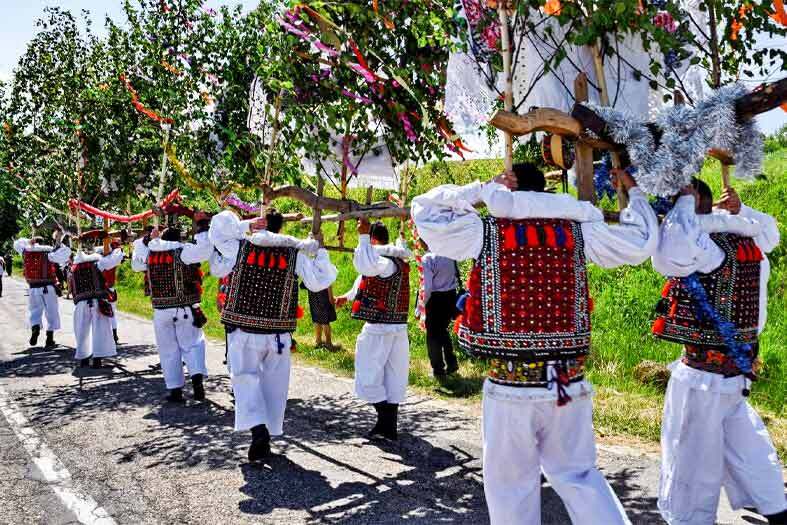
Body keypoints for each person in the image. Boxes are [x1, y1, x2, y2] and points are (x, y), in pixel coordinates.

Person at [411, 162, 659, 525]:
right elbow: (641, 243)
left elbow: (425, 212)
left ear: (508, 190)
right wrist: (635, 193)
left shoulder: (485, 230)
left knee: (511, 488)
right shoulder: (578, 230)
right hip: (567, 384)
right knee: (580, 476)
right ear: (544, 191)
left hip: (510, 387)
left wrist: (480, 189)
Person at [651, 180, 786, 525]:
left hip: (703, 378)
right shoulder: (749, 238)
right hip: (735, 371)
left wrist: (683, 205)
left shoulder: (708, 248)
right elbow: (770, 231)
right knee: (747, 444)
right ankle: (774, 504)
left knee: (692, 455)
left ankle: (690, 519)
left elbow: (667, 256)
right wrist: (741, 211)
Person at [209, 209, 337, 462]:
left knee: (244, 380)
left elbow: (217, 231)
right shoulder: (295, 253)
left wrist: (244, 225)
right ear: (280, 227)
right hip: (278, 335)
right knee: (274, 387)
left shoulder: (240, 246)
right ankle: (264, 431)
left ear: (260, 224)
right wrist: (319, 250)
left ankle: (258, 430)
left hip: (243, 332)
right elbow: (320, 281)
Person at [335, 219, 411, 441]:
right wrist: (347, 297)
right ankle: (387, 426)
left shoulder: (385, 262)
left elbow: (366, 267)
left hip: (380, 328)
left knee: (367, 376)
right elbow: (364, 278)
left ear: (374, 240)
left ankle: (386, 420)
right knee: (392, 377)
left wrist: (362, 237)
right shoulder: (393, 260)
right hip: (396, 328)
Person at [131, 214, 212, 403]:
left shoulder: (149, 254)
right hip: (184, 309)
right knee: (192, 345)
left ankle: (175, 389)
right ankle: (197, 381)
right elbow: (205, 250)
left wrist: (148, 239)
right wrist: (202, 226)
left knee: (168, 350)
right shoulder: (184, 252)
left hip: (161, 312)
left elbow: (135, 262)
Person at [69, 231, 124, 369]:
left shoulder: (74, 267)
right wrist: (118, 247)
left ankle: (83, 358)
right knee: (100, 329)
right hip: (97, 301)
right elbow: (115, 259)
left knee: (81, 331)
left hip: (81, 303)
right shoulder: (98, 262)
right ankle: (98, 357)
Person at [14, 231, 72, 348]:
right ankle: (49, 338)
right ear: (42, 242)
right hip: (48, 287)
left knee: (35, 311)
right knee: (51, 312)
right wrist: (60, 243)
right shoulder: (49, 252)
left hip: (33, 288)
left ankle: (35, 328)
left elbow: (16, 243)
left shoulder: (26, 251)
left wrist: (28, 242)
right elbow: (66, 253)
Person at [419, 240, 460, 379]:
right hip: (450, 296)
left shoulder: (428, 258)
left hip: (435, 298)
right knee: (443, 330)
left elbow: (428, 287)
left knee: (432, 335)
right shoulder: (449, 253)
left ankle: (438, 369)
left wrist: (422, 304)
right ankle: (451, 362)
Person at [95, 241, 125, 345]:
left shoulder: (101, 262)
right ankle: (114, 336)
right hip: (109, 289)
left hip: (103, 290)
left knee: (102, 314)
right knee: (111, 314)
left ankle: (110, 336)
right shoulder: (112, 261)